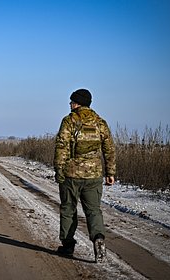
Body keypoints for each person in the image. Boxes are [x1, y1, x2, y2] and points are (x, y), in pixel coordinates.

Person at [54, 88, 116, 263]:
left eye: (71, 102)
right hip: (94, 175)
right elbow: (109, 148)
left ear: (76, 103)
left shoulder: (69, 121)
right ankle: (98, 238)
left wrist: (59, 170)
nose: (70, 105)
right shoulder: (100, 122)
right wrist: (110, 172)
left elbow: (61, 146)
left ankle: (67, 247)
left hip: (71, 175)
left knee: (68, 209)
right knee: (93, 210)